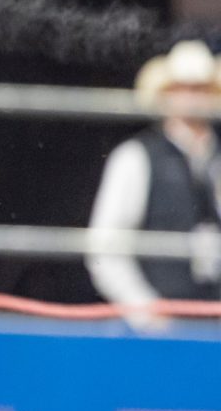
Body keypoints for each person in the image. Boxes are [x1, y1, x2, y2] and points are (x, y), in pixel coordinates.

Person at [85, 40, 221, 332]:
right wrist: (145, 311)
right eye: (183, 87)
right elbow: (106, 248)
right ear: (166, 94)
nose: (193, 97)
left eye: (201, 88)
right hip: (158, 329)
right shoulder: (135, 157)